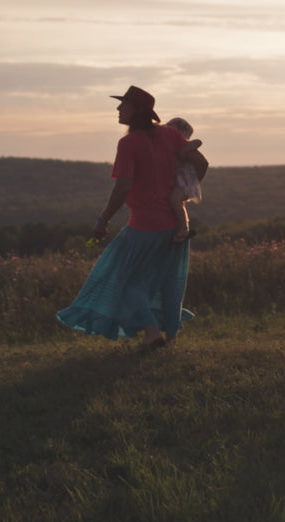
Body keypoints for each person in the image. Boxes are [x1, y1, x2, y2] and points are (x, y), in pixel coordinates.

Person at [56, 86, 209, 351]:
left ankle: (151, 334)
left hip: (144, 225)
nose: (118, 109)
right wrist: (183, 193)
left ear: (136, 110)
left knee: (124, 280)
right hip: (174, 225)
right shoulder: (171, 134)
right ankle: (169, 337)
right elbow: (202, 164)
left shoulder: (128, 143)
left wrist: (102, 221)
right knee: (168, 282)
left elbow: (123, 187)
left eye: (123, 105)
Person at [165, 116, 205, 243]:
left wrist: (184, 150)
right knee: (177, 202)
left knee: (174, 200)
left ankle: (183, 229)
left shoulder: (183, 145)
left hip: (186, 182)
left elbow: (198, 142)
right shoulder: (169, 146)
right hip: (181, 181)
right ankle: (182, 227)